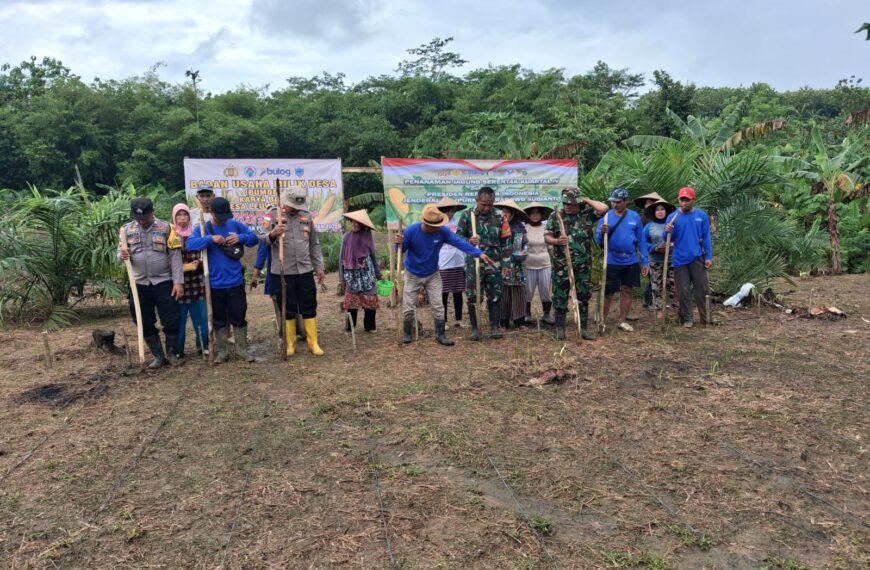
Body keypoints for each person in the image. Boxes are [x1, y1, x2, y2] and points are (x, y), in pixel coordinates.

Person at [395, 205, 495, 345]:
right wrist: (398, 243)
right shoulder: (412, 231)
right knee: (408, 305)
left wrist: (479, 254)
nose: (437, 228)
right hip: (413, 273)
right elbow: (400, 249)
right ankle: (407, 333)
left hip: (433, 273)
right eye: (433, 226)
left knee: (438, 305)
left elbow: (459, 243)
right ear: (425, 223)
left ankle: (440, 335)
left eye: (438, 225)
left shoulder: (442, 231)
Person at [185, 197, 259, 362]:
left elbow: (253, 238)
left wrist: (241, 238)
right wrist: (211, 239)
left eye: (226, 215)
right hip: (214, 283)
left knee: (239, 315)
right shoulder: (203, 229)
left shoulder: (235, 224)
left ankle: (242, 349)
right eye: (220, 215)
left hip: (235, 281)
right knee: (218, 319)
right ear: (211, 212)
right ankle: (222, 351)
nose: (224, 219)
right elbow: (190, 244)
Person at [117, 197, 184, 368]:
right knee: (143, 319)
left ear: (152, 212)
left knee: (171, 318)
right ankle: (158, 355)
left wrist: (178, 282)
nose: (142, 221)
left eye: (145, 217)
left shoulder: (167, 228)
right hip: (139, 283)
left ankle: (171, 353)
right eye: (138, 218)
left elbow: (175, 256)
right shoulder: (125, 230)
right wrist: (123, 255)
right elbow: (119, 255)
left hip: (163, 281)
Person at [263, 185, 327, 356]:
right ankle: (290, 343)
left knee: (309, 304)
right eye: (293, 206)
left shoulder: (306, 216)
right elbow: (260, 239)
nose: (296, 209)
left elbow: (314, 243)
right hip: (282, 270)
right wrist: (273, 233)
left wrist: (319, 267)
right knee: (288, 307)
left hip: (304, 269)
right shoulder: (272, 215)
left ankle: (312, 342)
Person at [544, 187, 609, 340]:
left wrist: (585, 199)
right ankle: (560, 329)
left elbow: (604, 208)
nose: (567, 206)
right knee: (560, 296)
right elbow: (547, 237)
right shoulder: (556, 216)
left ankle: (584, 328)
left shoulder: (586, 214)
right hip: (562, 265)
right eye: (565, 202)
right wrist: (557, 241)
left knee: (583, 295)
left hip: (583, 265)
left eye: (571, 203)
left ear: (578, 203)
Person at [456, 187, 512, 340]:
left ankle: (495, 327)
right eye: (483, 204)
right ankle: (475, 328)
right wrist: (469, 241)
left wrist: (506, 263)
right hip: (474, 262)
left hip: (494, 262)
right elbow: (457, 237)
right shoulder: (468, 215)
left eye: (490, 204)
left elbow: (506, 241)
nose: (487, 207)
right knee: (473, 295)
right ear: (477, 200)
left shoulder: (500, 216)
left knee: (495, 295)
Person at [596, 188, 649, 332]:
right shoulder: (605, 217)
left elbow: (641, 240)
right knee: (608, 292)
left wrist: (644, 261)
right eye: (613, 201)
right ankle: (603, 321)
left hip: (630, 260)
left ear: (626, 201)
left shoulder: (634, 216)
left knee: (627, 289)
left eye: (618, 202)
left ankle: (622, 321)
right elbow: (598, 241)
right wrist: (602, 232)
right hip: (611, 260)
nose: (615, 204)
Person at [665, 187, 719, 327]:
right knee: (683, 291)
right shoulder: (672, 217)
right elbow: (668, 238)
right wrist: (667, 231)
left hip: (697, 258)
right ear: (678, 200)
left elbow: (706, 237)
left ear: (693, 200)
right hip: (679, 260)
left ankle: (706, 317)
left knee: (702, 290)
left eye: (687, 200)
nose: (684, 202)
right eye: (682, 199)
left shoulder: (701, 216)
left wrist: (708, 256)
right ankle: (687, 318)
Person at [251, 213, 306, 341]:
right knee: (280, 303)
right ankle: (285, 333)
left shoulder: (297, 217)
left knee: (298, 300)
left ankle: (302, 330)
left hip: (297, 270)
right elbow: (262, 249)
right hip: (276, 272)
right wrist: (255, 274)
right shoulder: (270, 219)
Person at [168, 203, 208, 358]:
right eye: (179, 215)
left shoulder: (197, 233)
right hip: (178, 286)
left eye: (185, 215)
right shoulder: (170, 235)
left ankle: (203, 346)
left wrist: (199, 263)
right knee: (179, 323)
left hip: (197, 285)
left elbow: (204, 255)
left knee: (202, 321)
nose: (183, 218)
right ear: (174, 217)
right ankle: (178, 351)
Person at [339, 209, 381, 332]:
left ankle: (369, 326)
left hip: (367, 272)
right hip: (352, 273)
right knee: (351, 300)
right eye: (352, 222)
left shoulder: (368, 237)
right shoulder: (346, 237)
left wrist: (378, 274)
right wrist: (341, 278)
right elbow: (341, 257)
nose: (354, 225)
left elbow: (373, 256)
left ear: (362, 225)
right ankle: (350, 327)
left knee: (370, 299)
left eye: (357, 223)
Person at [493, 199, 529, 329]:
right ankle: (503, 321)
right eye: (503, 212)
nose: (505, 214)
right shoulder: (496, 226)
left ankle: (519, 320)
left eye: (507, 212)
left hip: (517, 265)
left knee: (518, 292)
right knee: (503, 292)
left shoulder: (520, 227)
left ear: (513, 214)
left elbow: (525, 243)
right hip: (502, 264)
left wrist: (524, 252)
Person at [435, 197, 467, 328]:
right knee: (443, 293)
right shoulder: (438, 224)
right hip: (443, 263)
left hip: (458, 262)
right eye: (447, 211)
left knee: (458, 292)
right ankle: (444, 320)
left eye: (452, 211)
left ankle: (458, 320)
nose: (450, 214)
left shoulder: (459, 223)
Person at [643, 200, 678, 319]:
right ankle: (659, 309)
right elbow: (643, 243)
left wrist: (673, 245)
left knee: (673, 285)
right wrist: (655, 248)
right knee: (656, 286)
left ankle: (675, 309)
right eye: (657, 210)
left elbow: (681, 238)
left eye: (662, 209)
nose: (660, 212)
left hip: (673, 260)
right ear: (654, 212)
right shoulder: (649, 226)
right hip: (655, 261)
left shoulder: (673, 224)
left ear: (666, 211)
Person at [522, 201, 554, 325]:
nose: (535, 216)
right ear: (528, 215)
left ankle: (546, 314)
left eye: (537, 213)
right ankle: (527, 314)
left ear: (541, 215)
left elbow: (550, 247)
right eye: (532, 213)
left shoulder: (546, 228)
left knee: (546, 290)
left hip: (545, 264)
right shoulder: (524, 229)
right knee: (528, 291)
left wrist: (554, 262)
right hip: (528, 264)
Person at [634, 191, 665, 310]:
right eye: (647, 203)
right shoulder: (643, 219)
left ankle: (655, 300)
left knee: (659, 278)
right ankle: (649, 300)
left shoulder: (661, 219)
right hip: (648, 253)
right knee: (652, 278)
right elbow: (640, 238)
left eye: (651, 203)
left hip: (662, 253)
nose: (648, 205)